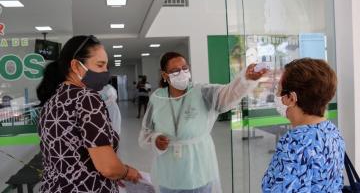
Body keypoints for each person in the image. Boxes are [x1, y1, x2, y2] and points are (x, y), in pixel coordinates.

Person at [139, 52, 267, 193]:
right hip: (169, 173)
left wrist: (246, 80)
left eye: (185, 68)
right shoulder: (157, 99)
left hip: (198, 169)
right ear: (164, 75)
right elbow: (146, 132)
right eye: (175, 71)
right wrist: (155, 139)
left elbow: (228, 94)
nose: (182, 73)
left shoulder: (201, 92)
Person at [37, 35, 141, 193]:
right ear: (76, 66)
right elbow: (108, 168)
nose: (106, 72)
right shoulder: (86, 98)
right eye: (100, 65)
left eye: (106, 66)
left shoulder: (52, 100)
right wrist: (126, 172)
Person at [262, 58, 345, 192]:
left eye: (279, 89)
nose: (276, 94)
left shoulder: (294, 143)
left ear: (292, 98)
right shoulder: (332, 131)